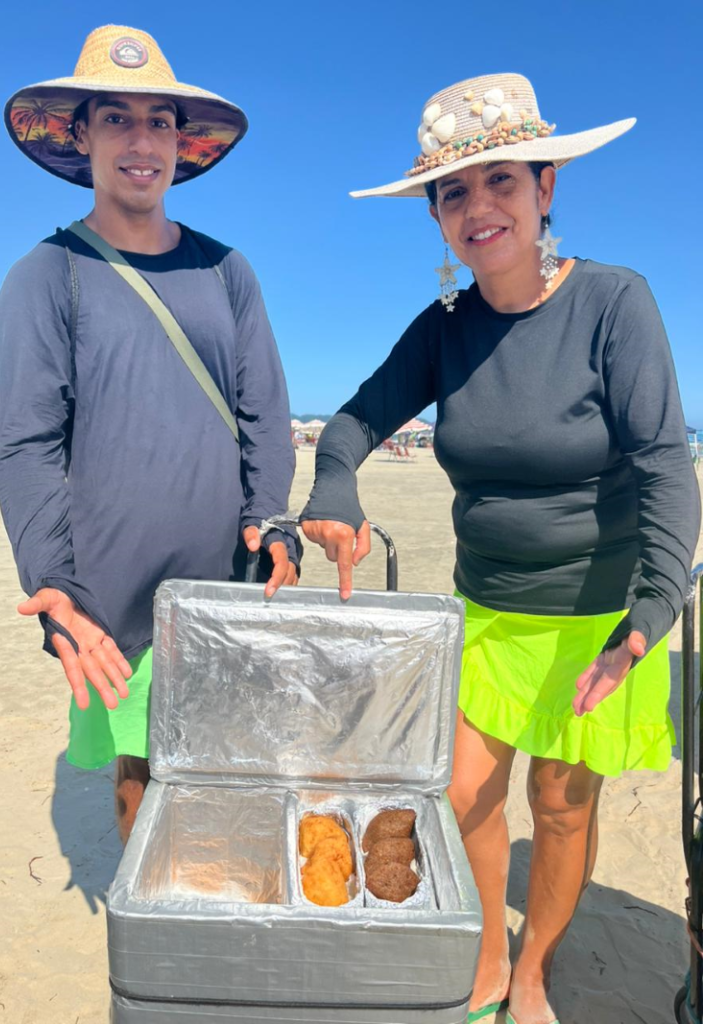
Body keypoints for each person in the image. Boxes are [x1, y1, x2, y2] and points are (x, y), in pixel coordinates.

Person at [300, 73, 700, 1024]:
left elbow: (665, 467)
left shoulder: (615, 303)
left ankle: (533, 976)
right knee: (466, 793)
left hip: (601, 623)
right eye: (454, 192)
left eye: (502, 182)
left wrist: (652, 610)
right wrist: (334, 487)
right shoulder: (442, 332)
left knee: (562, 808)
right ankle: (487, 952)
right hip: (486, 610)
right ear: (438, 214)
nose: (479, 207)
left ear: (546, 187)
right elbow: (352, 422)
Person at [0, 25, 298, 844]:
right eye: (117, 119)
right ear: (82, 135)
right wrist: (51, 582)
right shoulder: (46, 274)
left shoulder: (226, 270)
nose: (141, 141)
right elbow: (27, 445)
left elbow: (264, 413)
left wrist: (271, 518)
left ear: (179, 142)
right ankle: (153, 965)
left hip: (226, 583)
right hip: (110, 596)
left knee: (224, 773)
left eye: (159, 121)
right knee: (142, 788)